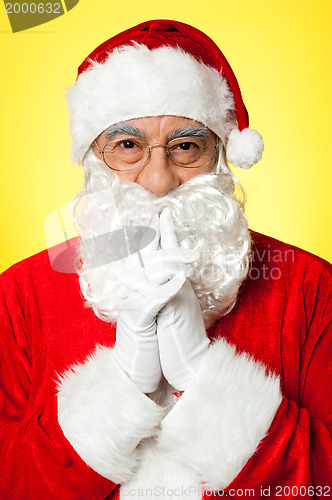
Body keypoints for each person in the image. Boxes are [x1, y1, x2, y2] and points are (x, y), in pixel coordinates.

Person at [0, 19, 331, 500]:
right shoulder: (20, 293)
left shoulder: (308, 285)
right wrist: (121, 386)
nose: (159, 180)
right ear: (95, 156)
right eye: (128, 146)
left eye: (186, 147)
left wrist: (204, 379)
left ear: (219, 155)